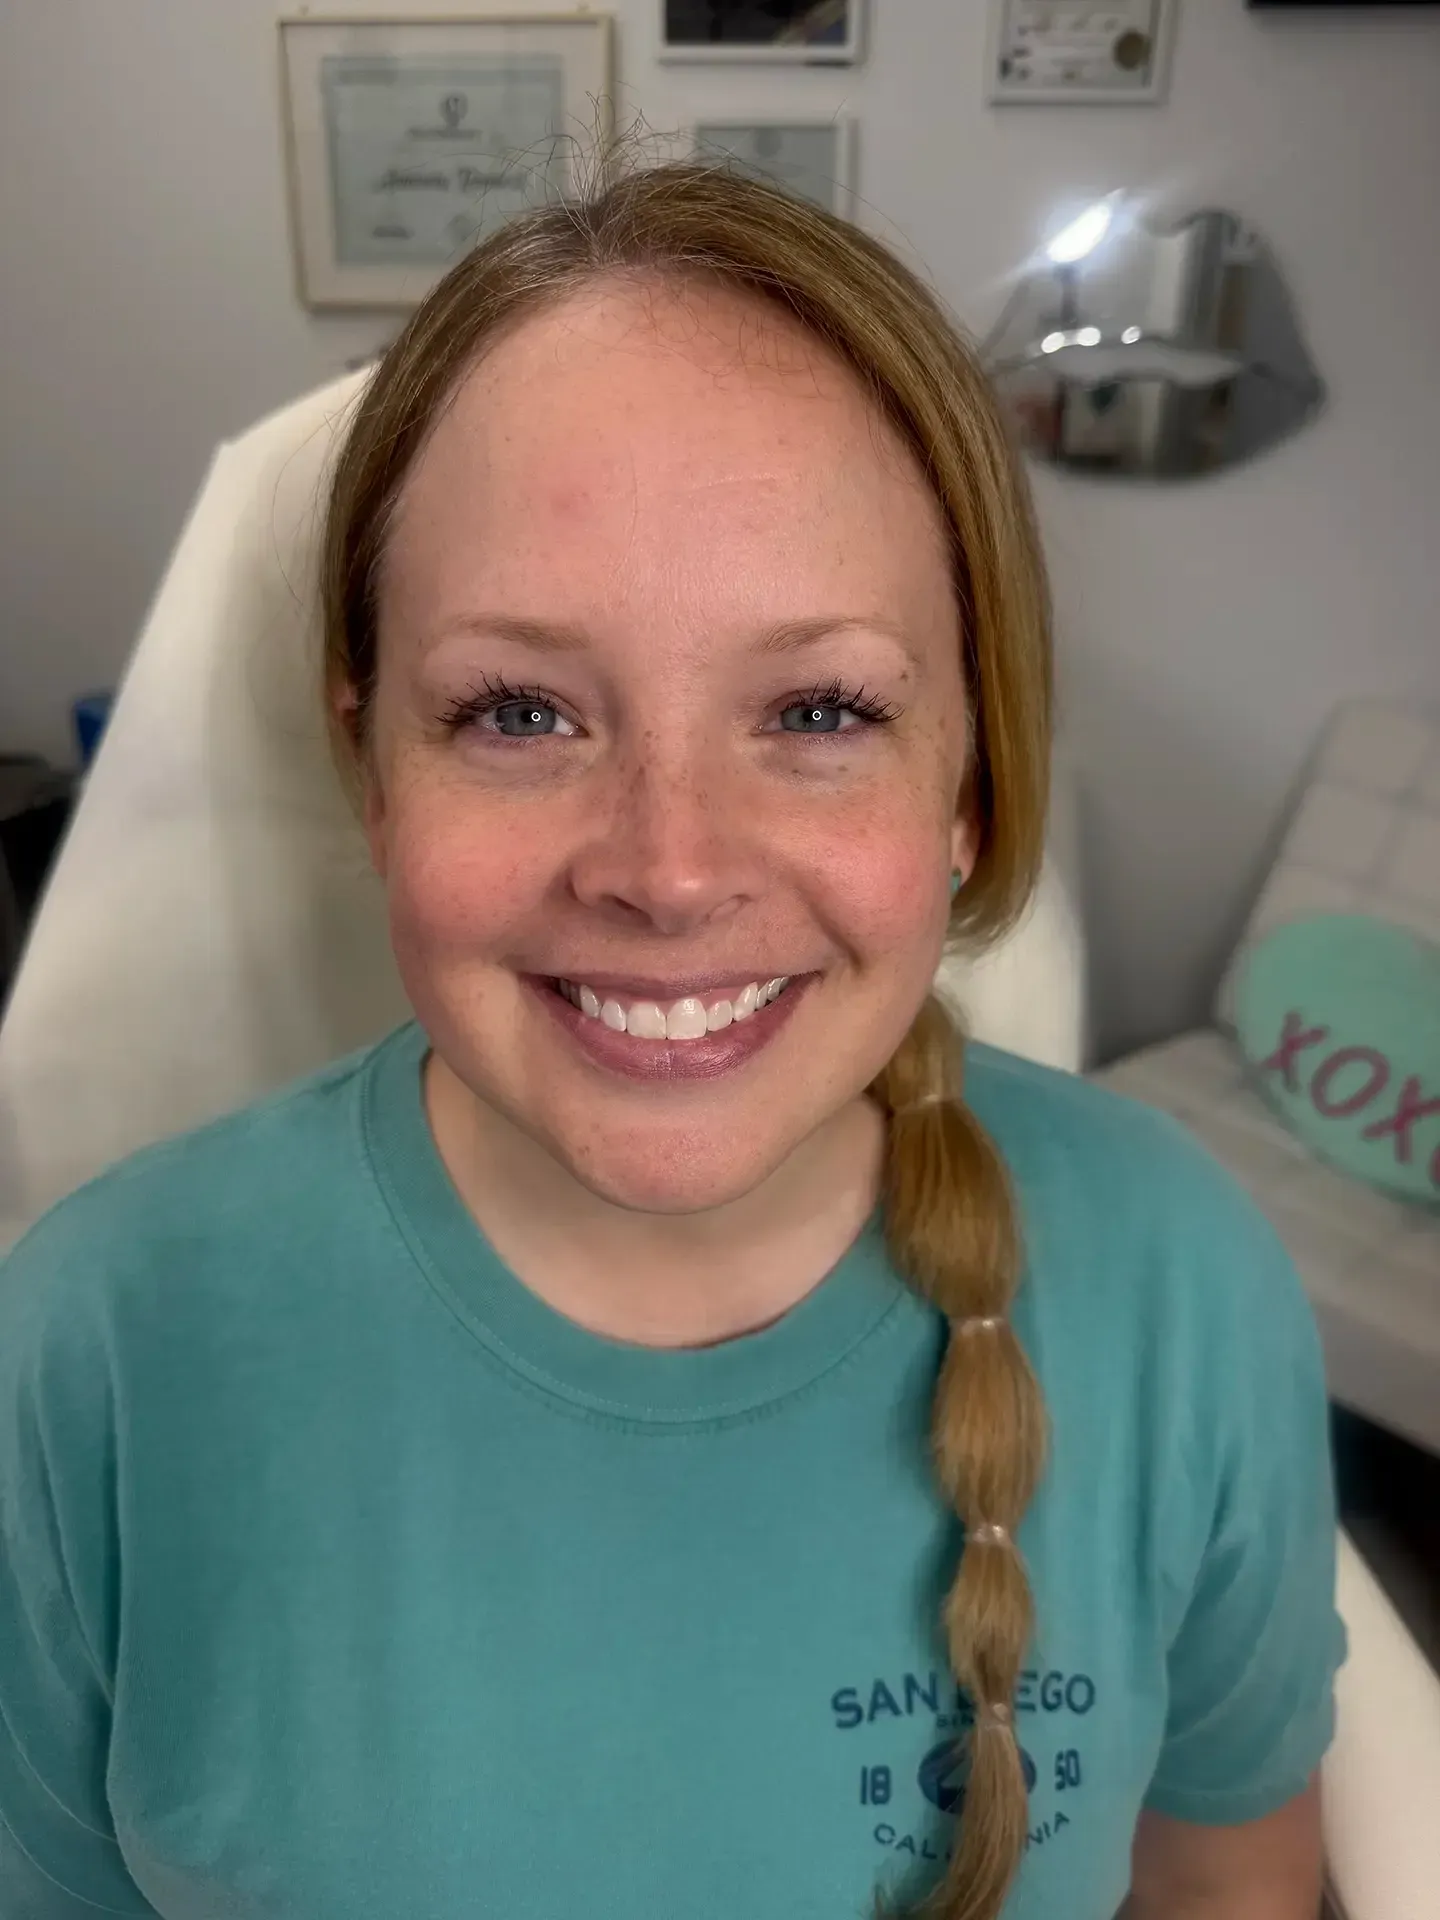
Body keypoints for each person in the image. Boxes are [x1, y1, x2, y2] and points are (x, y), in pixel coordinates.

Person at [0, 162, 1343, 1920]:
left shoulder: (1176, 1287)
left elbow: (1230, 1888)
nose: (668, 867)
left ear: (967, 783)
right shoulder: (91, 1353)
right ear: (371, 762)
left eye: (818, 710)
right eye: (519, 709)